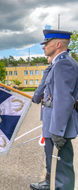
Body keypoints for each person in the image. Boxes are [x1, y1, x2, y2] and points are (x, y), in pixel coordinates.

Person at [30, 29, 78, 190]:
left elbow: (64, 99)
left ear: (58, 44)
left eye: (46, 44)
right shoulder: (57, 63)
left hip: (58, 125)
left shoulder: (64, 63)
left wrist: (58, 130)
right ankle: (50, 184)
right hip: (52, 122)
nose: (43, 47)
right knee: (54, 162)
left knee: (62, 168)